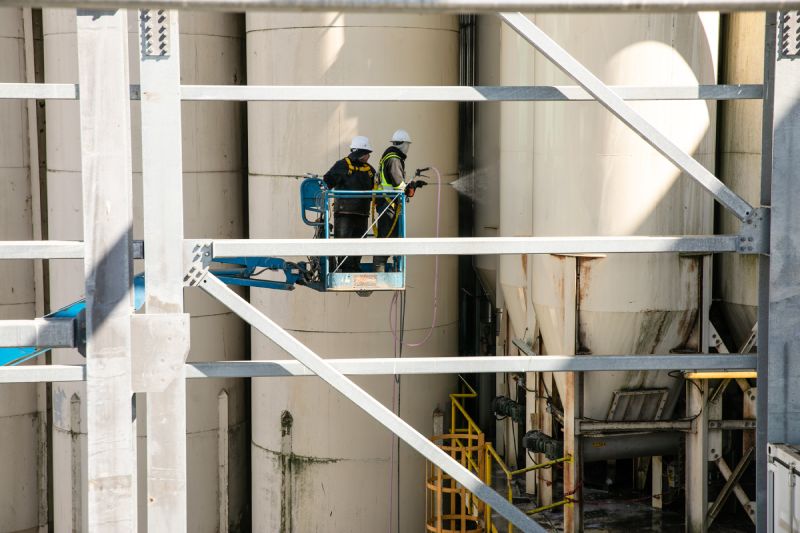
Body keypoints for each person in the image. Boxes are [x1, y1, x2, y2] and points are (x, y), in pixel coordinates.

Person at [323, 136, 376, 272]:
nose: (368, 156)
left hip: (361, 212)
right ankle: (345, 268)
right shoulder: (342, 165)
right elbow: (327, 182)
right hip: (345, 213)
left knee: (358, 242)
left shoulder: (370, 170)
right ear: (359, 152)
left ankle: (354, 267)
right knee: (345, 242)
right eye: (366, 153)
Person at [373, 129, 420, 272]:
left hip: (387, 203)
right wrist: (410, 187)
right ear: (403, 144)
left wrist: (413, 185)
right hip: (389, 205)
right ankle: (379, 272)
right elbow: (399, 185)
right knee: (387, 238)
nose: (408, 148)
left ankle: (381, 269)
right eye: (408, 145)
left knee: (388, 238)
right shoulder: (394, 159)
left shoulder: (389, 157)